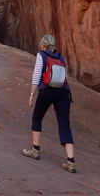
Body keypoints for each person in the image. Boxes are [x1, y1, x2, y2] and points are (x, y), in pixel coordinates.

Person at [22, 34, 76, 173]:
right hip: (63, 92)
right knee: (65, 124)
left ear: (43, 45)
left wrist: (32, 95)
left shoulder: (42, 55)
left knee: (37, 117)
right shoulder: (61, 57)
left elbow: (37, 74)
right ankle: (70, 161)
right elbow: (63, 78)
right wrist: (56, 100)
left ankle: (35, 150)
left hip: (47, 90)